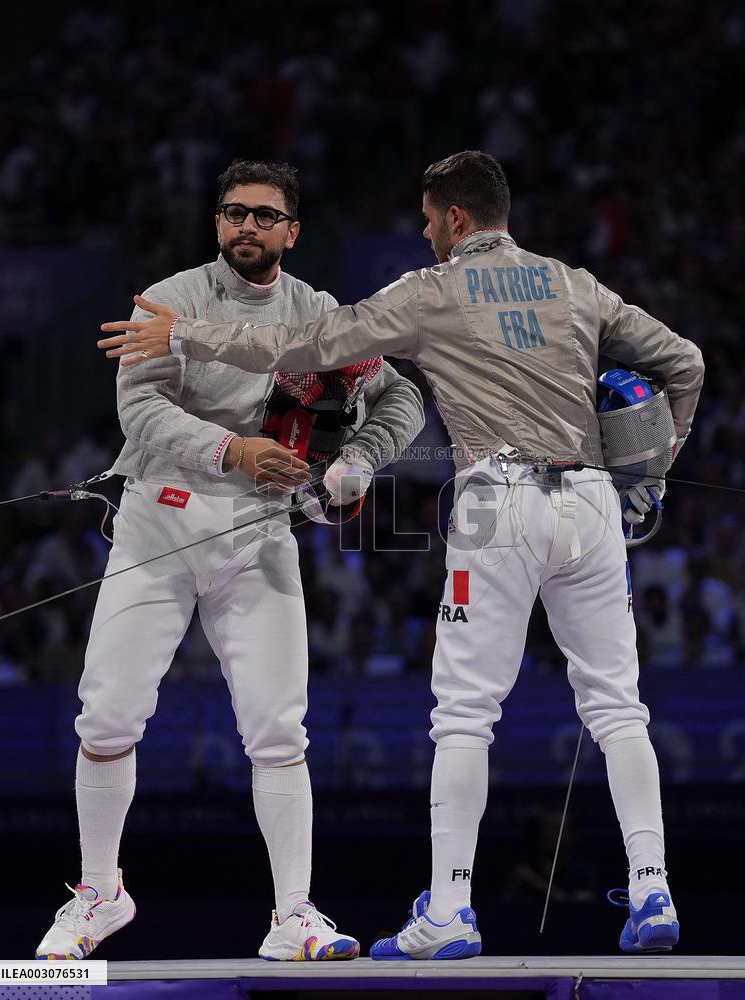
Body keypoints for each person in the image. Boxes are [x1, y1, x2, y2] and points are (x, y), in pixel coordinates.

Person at [99, 150, 705, 958]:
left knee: (465, 715)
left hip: (499, 500)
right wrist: (653, 473)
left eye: (427, 221)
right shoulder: (575, 283)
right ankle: (654, 887)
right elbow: (686, 362)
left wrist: (186, 334)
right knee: (619, 706)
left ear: (455, 217)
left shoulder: (431, 290)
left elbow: (305, 344)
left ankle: (449, 913)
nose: (424, 235)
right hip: (593, 500)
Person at [38, 159, 424, 962]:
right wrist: (233, 449)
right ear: (218, 222)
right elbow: (139, 408)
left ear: (292, 231)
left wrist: (356, 463)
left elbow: (402, 396)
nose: (246, 225)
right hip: (159, 525)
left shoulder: (318, 313)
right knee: (107, 715)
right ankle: (99, 894)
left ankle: (293, 916)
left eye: (264, 214)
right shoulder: (171, 299)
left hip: (258, 535)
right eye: (233, 212)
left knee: (279, 729)